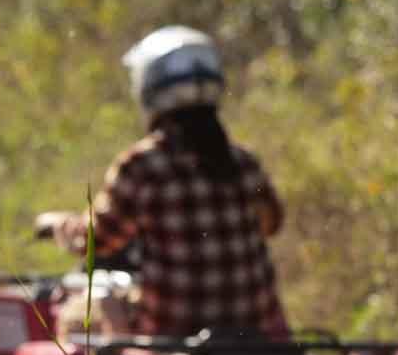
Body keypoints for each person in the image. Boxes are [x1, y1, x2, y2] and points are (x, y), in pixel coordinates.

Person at [51, 26, 290, 339]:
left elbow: (96, 241)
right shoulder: (243, 162)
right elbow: (271, 223)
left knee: (74, 317)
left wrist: (61, 226)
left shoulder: (142, 165)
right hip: (257, 335)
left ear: (149, 89)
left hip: (172, 333)